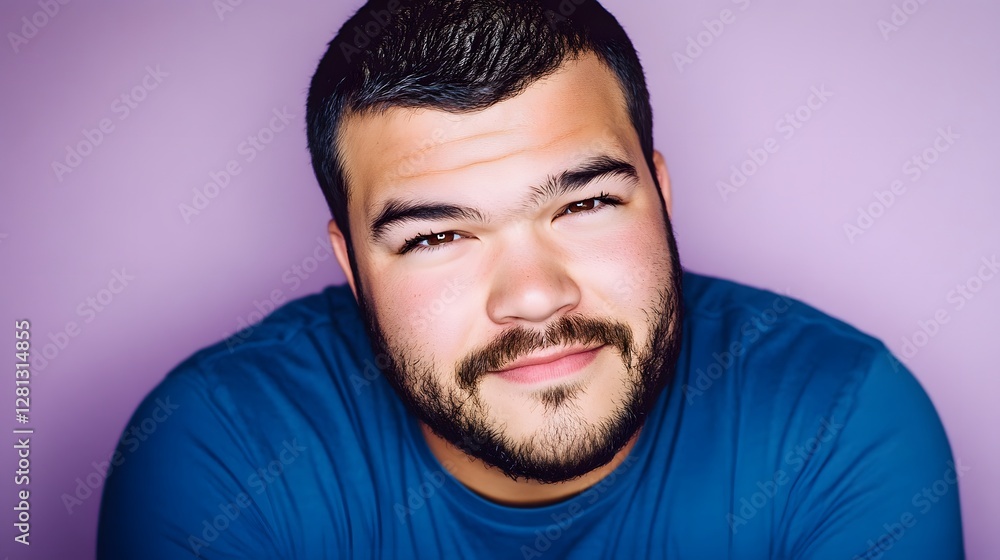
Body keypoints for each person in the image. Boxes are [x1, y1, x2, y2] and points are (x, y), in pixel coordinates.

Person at [97, 0, 964, 557]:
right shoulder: (217, 449)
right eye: (438, 235)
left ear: (660, 196)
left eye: (584, 207)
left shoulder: (841, 419)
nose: (536, 297)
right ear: (351, 266)